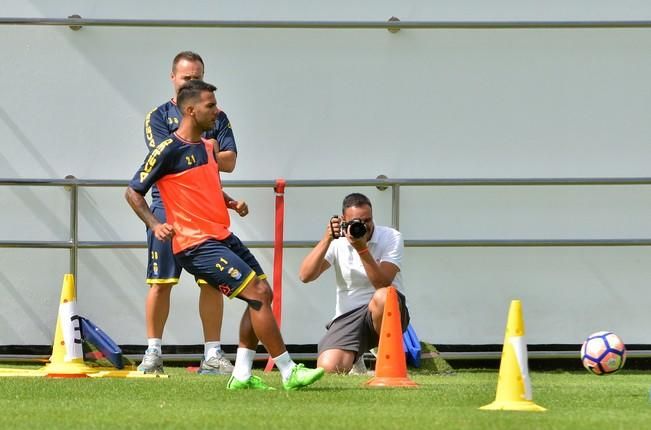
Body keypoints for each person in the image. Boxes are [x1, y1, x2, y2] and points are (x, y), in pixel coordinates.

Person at [126, 79, 325, 390]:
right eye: (210, 106)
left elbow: (205, 186)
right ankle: (289, 370)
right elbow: (133, 192)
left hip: (220, 234)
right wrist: (155, 224)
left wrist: (230, 202)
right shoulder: (168, 151)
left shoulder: (208, 147)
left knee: (263, 293)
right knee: (257, 295)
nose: (216, 111)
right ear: (190, 110)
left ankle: (242, 374)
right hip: (194, 244)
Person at [139, 51, 238, 374]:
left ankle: (212, 353)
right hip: (169, 209)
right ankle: (153, 352)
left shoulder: (217, 115)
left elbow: (231, 161)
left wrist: (202, 150)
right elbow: (167, 157)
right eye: (186, 78)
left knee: (211, 283)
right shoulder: (157, 116)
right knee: (161, 282)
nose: (192, 82)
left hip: (207, 212)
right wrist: (208, 151)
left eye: (197, 77)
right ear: (173, 78)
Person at [298, 193, 410, 374]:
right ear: (344, 221)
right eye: (357, 222)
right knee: (328, 368)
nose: (364, 226)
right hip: (348, 316)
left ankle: (385, 363)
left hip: (388, 311)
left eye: (368, 220)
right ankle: (356, 358)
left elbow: (383, 283)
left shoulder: (391, 237)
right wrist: (327, 238)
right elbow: (305, 275)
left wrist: (362, 248)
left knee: (383, 295)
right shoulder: (338, 242)